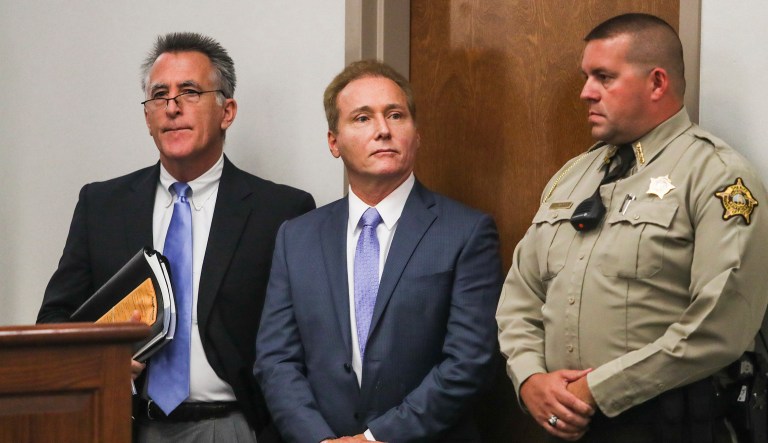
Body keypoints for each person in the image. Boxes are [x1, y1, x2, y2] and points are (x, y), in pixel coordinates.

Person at [496, 12, 768, 442]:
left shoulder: (716, 176)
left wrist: (597, 390)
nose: (586, 93)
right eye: (587, 77)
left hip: (665, 423)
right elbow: (521, 295)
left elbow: (722, 323)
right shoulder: (572, 176)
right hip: (563, 423)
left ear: (657, 83)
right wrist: (530, 379)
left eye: (604, 77)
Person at [37, 32, 315, 442]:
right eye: (159, 96)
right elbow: (54, 323)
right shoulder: (102, 206)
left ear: (227, 110)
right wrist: (100, 361)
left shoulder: (281, 211)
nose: (172, 107)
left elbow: (303, 341)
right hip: (124, 425)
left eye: (189, 92)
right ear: (147, 116)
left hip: (235, 426)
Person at [254, 60, 502, 442]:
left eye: (395, 115)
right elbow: (276, 360)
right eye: (362, 118)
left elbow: (469, 362)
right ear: (334, 143)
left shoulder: (466, 232)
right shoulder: (296, 237)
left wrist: (374, 440)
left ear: (417, 134)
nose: (383, 130)